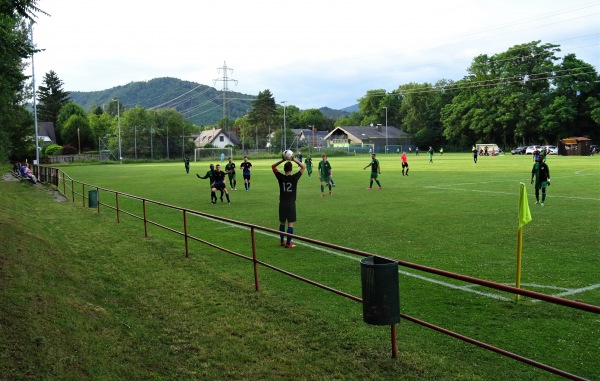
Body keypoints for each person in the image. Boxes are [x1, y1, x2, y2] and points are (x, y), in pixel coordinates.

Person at [272, 152, 305, 248]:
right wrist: (294, 159)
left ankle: (282, 241)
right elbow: (303, 167)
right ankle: (288, 243)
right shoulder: (294, 178)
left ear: (284, 169)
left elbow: (273, 167)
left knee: (282, 222)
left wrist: (283, 159)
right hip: (291, 204)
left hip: (282, 203)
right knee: (290, 224)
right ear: (291, 169)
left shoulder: (280, 177)